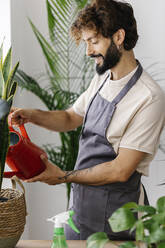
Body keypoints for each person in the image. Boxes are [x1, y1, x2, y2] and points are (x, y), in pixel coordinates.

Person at [10, 0, 165, 241]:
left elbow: (121, 169)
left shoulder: (149, 97)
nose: (88, 51)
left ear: (119, 37)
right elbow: (70, 118)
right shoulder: (103, 79)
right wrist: (31, 115)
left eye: (93, 41)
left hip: (116, 221)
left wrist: (62, 176)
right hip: (80, 210)